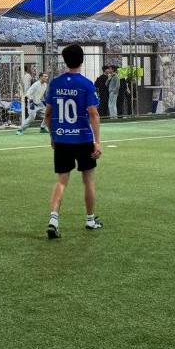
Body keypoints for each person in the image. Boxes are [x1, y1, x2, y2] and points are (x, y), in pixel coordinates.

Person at [44, 44, 103, 239]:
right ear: (82, 60)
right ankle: (90, 220)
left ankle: (53, 220)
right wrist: (97, 142)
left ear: (65, 60)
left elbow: (48, 114)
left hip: (62, 139)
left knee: (61, 181)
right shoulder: (86, 84)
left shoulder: (55, 84)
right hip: (83, 139)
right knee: (88, 180)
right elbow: (93, 114)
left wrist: (53, 136)